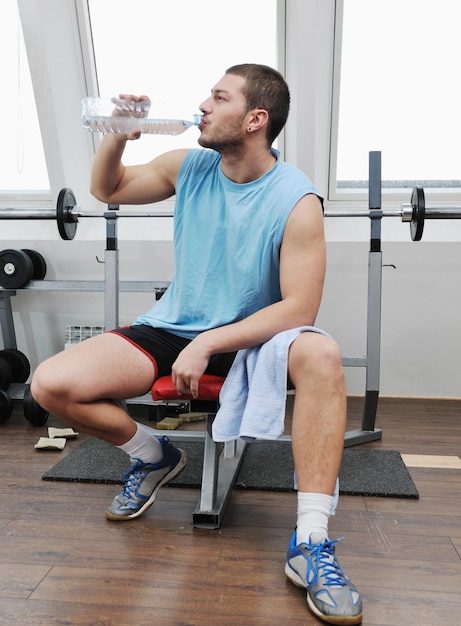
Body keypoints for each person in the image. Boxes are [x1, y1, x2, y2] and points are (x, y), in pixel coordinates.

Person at [31, 64, 362, 625]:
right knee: (49, 385)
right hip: (173, 324)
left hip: (256, 335)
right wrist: (119, 130)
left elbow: (299, 309)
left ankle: (311, 542)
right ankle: (153, 454)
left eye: (219, 97)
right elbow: (105, 188)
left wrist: (210, 341)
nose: (203, 106)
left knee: (322, 354)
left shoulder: (296, 198)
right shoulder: (191, 166)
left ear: (255, 119)